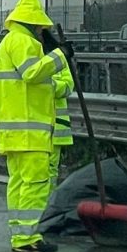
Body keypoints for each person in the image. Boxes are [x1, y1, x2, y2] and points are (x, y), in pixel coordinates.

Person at [0, 0, 71, 252]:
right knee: (36, 184)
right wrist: (60, 56)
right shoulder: (25, 43)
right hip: (30, 130)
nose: (42, 31)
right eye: (40, 26)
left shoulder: (7, 43)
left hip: (13, 131)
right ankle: (28, 237)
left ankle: (19, 234)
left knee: (18, 183)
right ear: (33, 23)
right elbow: (32, 74)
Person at [46, 36, 75, 190]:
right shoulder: (30, 60)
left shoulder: (59, 62)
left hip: (57, 128)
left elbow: (68, 86)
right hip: (37, 127)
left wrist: (48, 87)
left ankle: (48, 201)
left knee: (51, 169)